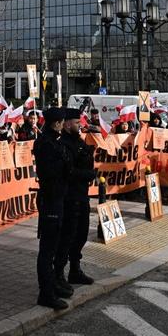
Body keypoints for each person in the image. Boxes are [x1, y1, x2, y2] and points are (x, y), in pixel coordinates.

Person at [32, 107, 72, 310]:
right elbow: (53, 171)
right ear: (55, 123)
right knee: (47, 249)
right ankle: (46, 293)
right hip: (50, 199)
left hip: (57, 197)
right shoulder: (46, 144)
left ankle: (52, 286)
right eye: (61, 122)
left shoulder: (53, 141)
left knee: (54, 246)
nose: (63, 125)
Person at [54, 108, 96, 288]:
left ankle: (75, 269)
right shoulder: (63, 143)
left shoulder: (78, 141)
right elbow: (68, 171)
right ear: (67, 123)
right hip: (70, 197)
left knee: (81, 234)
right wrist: (88, 174)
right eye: (77, 122)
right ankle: (59, 275)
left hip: (81, 195)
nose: (80, 125)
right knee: (67, 236)